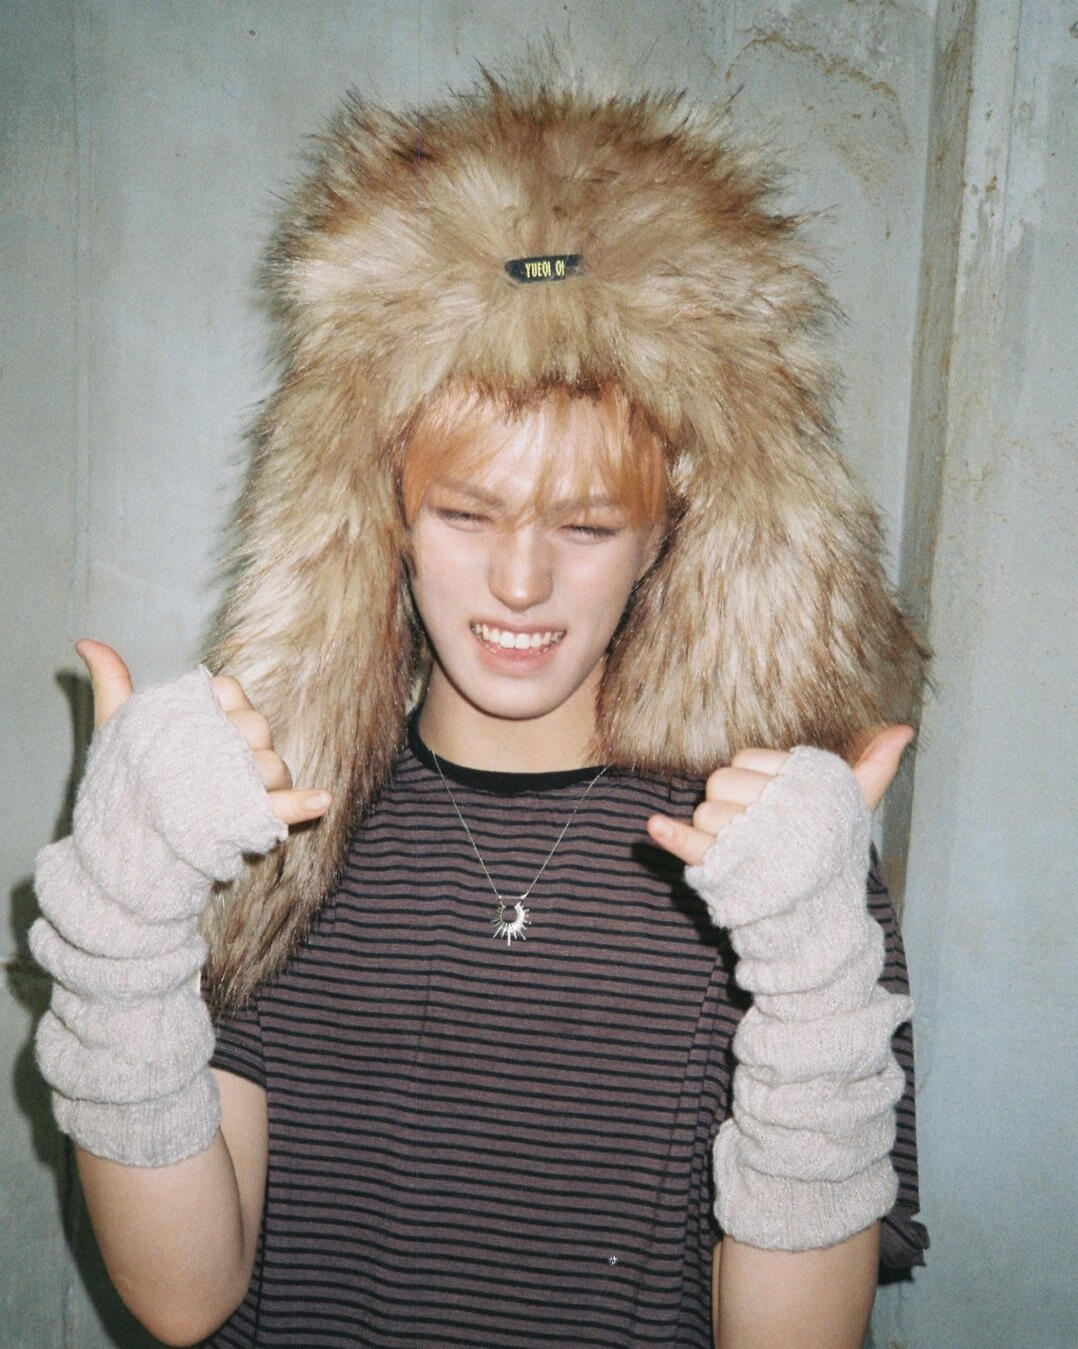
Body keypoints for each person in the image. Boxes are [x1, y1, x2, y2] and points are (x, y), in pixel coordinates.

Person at [30, 74, 928, 1347]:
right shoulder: (278, 831)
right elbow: (183, 1298)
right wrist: (124, 915)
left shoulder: (771, 860)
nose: (519, 582)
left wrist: (813, 972)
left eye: (585, 525)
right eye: (465, 513)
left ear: (671, 531)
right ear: (383, 510)